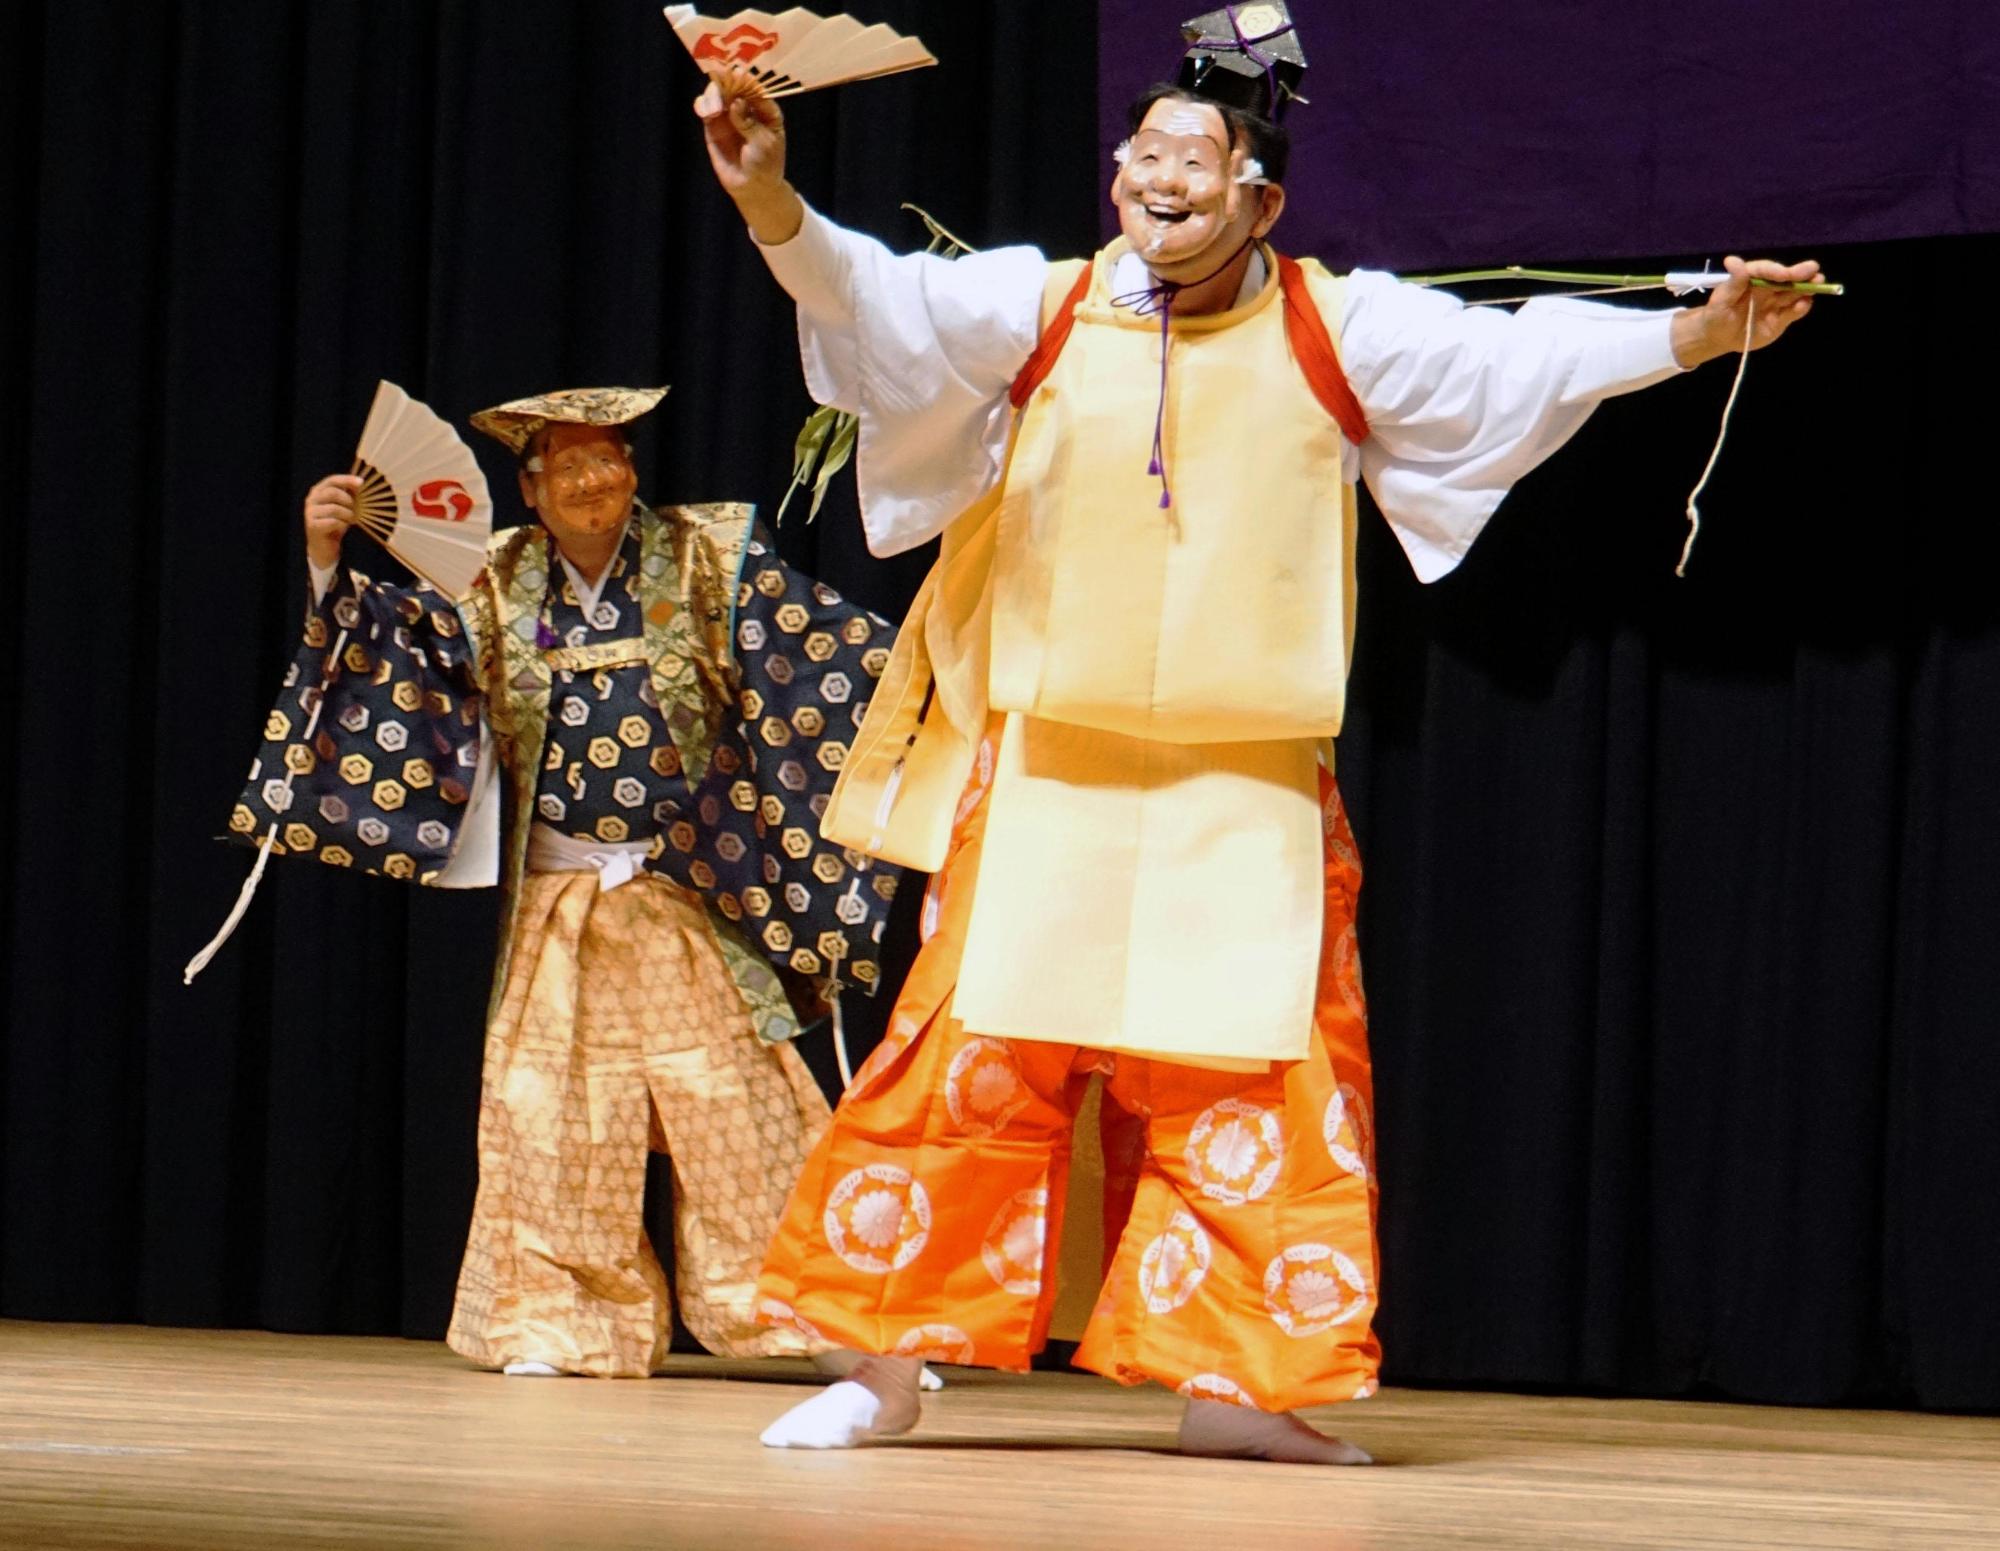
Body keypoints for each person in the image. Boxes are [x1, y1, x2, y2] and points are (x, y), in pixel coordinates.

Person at [694, 1, 1817, 1461]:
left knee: (1259, 1083)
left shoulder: (1336, 328)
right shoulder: (1039, 309)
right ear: (1116, 172)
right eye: (1141, 152)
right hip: (1048, 770)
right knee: (966, 1065)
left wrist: (1700, 328)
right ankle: (886, 1369)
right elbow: (870, 298)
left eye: (1194, 159)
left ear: (1259, 196)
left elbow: (1524, 359)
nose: (1160, 177)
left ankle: (1238, 1384)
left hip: (1249, 785)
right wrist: (766, 189)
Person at [229, 386, 904, 1378]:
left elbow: (828, 656)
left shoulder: (707, 556)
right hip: (558, 901)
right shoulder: (491, 579)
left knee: (739, 1112)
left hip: (681, 896)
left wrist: (941, 657)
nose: (595, 482)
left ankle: (818, 1324)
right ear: (530, 488)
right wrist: (327, 559)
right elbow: (392, 655)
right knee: (544, 1114)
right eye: (569, 466)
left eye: (611, 458)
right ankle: (554, 1321)